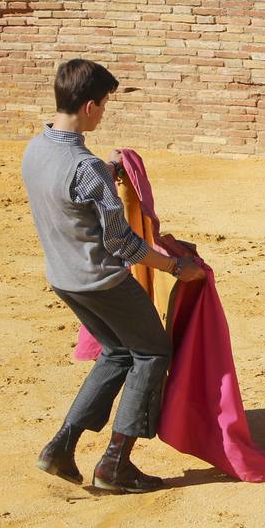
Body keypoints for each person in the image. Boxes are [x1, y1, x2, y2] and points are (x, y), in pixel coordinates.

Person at [24, 59, 207, 494]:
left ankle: (60, 447)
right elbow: (122, 244)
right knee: (151, 351)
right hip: (102, 281)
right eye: (104, 105)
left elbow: (69, 196)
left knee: (117, 352)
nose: (104, 112)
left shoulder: (37, 148)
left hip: (63, 277)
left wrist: (105, 176)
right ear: (89, 106)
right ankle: (115, 464)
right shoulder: (86, 169)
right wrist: (177, 267)